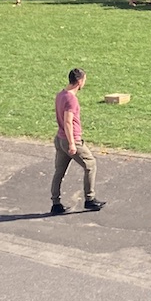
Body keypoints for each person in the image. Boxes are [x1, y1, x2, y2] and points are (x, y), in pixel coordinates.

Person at [50, 69, 105, 215]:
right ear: (79, 81)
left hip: (60, 138)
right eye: (84, 80)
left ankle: (55, 203)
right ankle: (90, 199)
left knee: (59, 172)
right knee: (90, 164)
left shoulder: (60, 94)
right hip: (71, 139)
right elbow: (68, 122)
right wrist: (72, 144)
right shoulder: (71, 99)